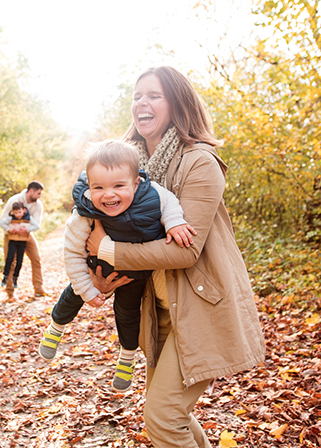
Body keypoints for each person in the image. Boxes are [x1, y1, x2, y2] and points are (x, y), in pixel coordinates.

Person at [85, 66, 265, 447]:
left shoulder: (200, 162)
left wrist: (109, 250)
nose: (142, 103)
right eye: (137, 96)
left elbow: (184, 252)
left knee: (163, 416)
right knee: (170, 414)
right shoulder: (127, 168)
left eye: (154, 95)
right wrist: (98, 272)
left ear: (177, 103)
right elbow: (95, 224)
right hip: (159, 305)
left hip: (202, 305)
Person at [38, 140, 196, 392]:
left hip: (134, 274)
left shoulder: (153, 193)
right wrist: (88, 289)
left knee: (128, 314)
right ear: (89, 186)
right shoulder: (86, 211)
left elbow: (170, 203)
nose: (108, 194)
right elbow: (72, 252)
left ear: (136, 183)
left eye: (119, 186)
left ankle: (127, 358)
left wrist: (175, 222)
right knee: (73, 293)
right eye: (98, 187)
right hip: (96, 267)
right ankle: (56, 326)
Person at [0, 181, 46, 297]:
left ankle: (39, 289)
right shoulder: (14, 200)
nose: (40, 196)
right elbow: (4, 218)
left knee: (36, 259)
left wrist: (25, 229)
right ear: (31, 191)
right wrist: (12, 229)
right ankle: (10, 293)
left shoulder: (38, 205)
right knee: (10, 262)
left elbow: (37, 223)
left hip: (27, 235)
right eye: (38, 193)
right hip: (11, 236)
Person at [0, 202, 37, 288]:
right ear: (12, 212)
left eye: (19, 212)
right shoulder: (10, 218)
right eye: (15, 213)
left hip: (22, 242)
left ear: (23, 210)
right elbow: (1, 223)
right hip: (13, 240)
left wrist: (27, 229)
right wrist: (9, 229)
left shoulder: (28, 218)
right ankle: (5, 277)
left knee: (19, 261)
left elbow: (36, 226)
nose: (18, 215)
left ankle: (15, 277)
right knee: (9, 258)